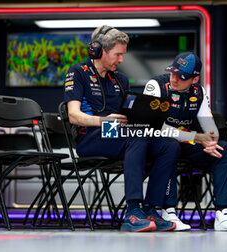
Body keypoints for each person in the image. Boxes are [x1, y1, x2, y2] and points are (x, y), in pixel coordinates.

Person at [64, 25, 180, 232]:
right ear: (100, 51)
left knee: (169, 145)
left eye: (123, 55)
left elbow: (129, 116)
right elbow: (73, 115)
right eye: (118, 54)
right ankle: (133, 211)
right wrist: (104, 121)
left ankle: (151, 209)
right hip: (90, 137)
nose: (121, 60)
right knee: (137, 137)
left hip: (120, 134)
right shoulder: (78, 73)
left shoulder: (121, 79)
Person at [143, 51, 227, 231]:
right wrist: (196, 137)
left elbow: (209, 125)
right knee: (169, 147)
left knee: (222, 149)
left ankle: (222, 215)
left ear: (194, 79)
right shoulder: (156, 86)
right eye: (172, 72)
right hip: (154, 145)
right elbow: (154, 127)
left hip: (184, 143)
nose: (174, 79)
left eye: (181, 76)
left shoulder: (199, 92)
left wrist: (210, 141)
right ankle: (167, 211)